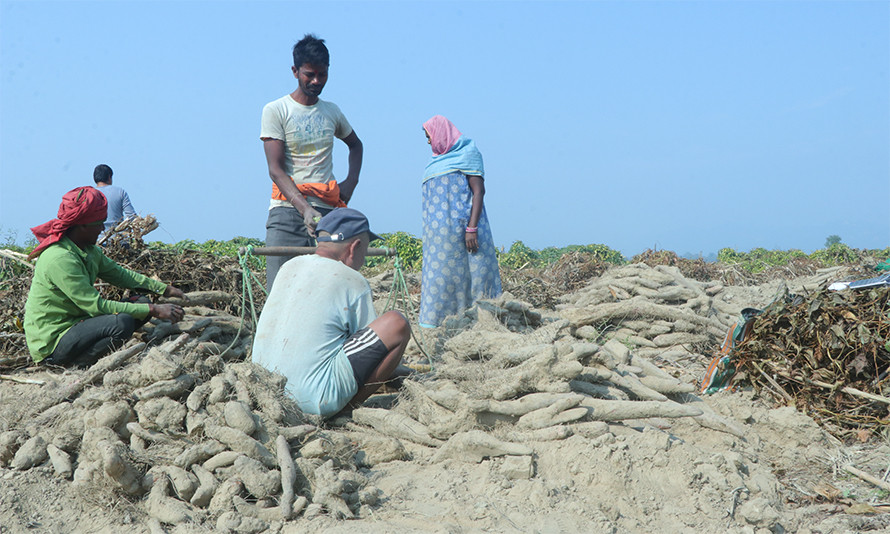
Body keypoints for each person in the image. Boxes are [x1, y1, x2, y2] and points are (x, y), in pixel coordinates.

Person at [252, 208, 410, 418]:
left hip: (264, 392)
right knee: (396, 324)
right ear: (355, 247)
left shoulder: (289, 267)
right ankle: (346, 409)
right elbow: (371, 353)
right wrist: (405, 373)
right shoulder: (351, 279)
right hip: (312, 400)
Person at [24, 186, 185, 367]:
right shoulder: (60, 258)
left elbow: (121, 275)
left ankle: (88, 356)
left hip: (78, 324)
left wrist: (164, 289)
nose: (102, 228)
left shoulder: (89, 250)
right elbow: (96, 306)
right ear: (83, 225)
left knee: (140, 303)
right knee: (122, 322)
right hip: (54, 341)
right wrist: (154, 309)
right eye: (99, 223)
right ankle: (75, 365)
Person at [260, 34, 364, 291]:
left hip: (328, 212)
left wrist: (350, 184)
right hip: (286, 210)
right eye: (310, 74)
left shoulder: (331, 111)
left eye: (323, 75)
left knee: (326, 289)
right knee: (280, 289)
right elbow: (276, 170)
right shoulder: (277, 110)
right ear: (295, 71)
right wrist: (304, 208)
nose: (317, 81)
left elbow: (356, 145)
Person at [420, 115, 502, 328]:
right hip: (439, 239)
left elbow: (478, 191)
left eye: (429, 136)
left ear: (441, 133)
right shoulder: (434, 163)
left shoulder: (468, 154)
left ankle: (481, 322)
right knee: (441, 280)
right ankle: (439, 325)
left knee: (474, 276)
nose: (428, 141)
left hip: (466, 230)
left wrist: (471, 228)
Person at [93, 164, 136, 233]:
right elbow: (132, 216)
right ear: (109, 177)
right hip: (118, 239)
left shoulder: (89, 194)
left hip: (96, 239)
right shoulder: (120, 192)